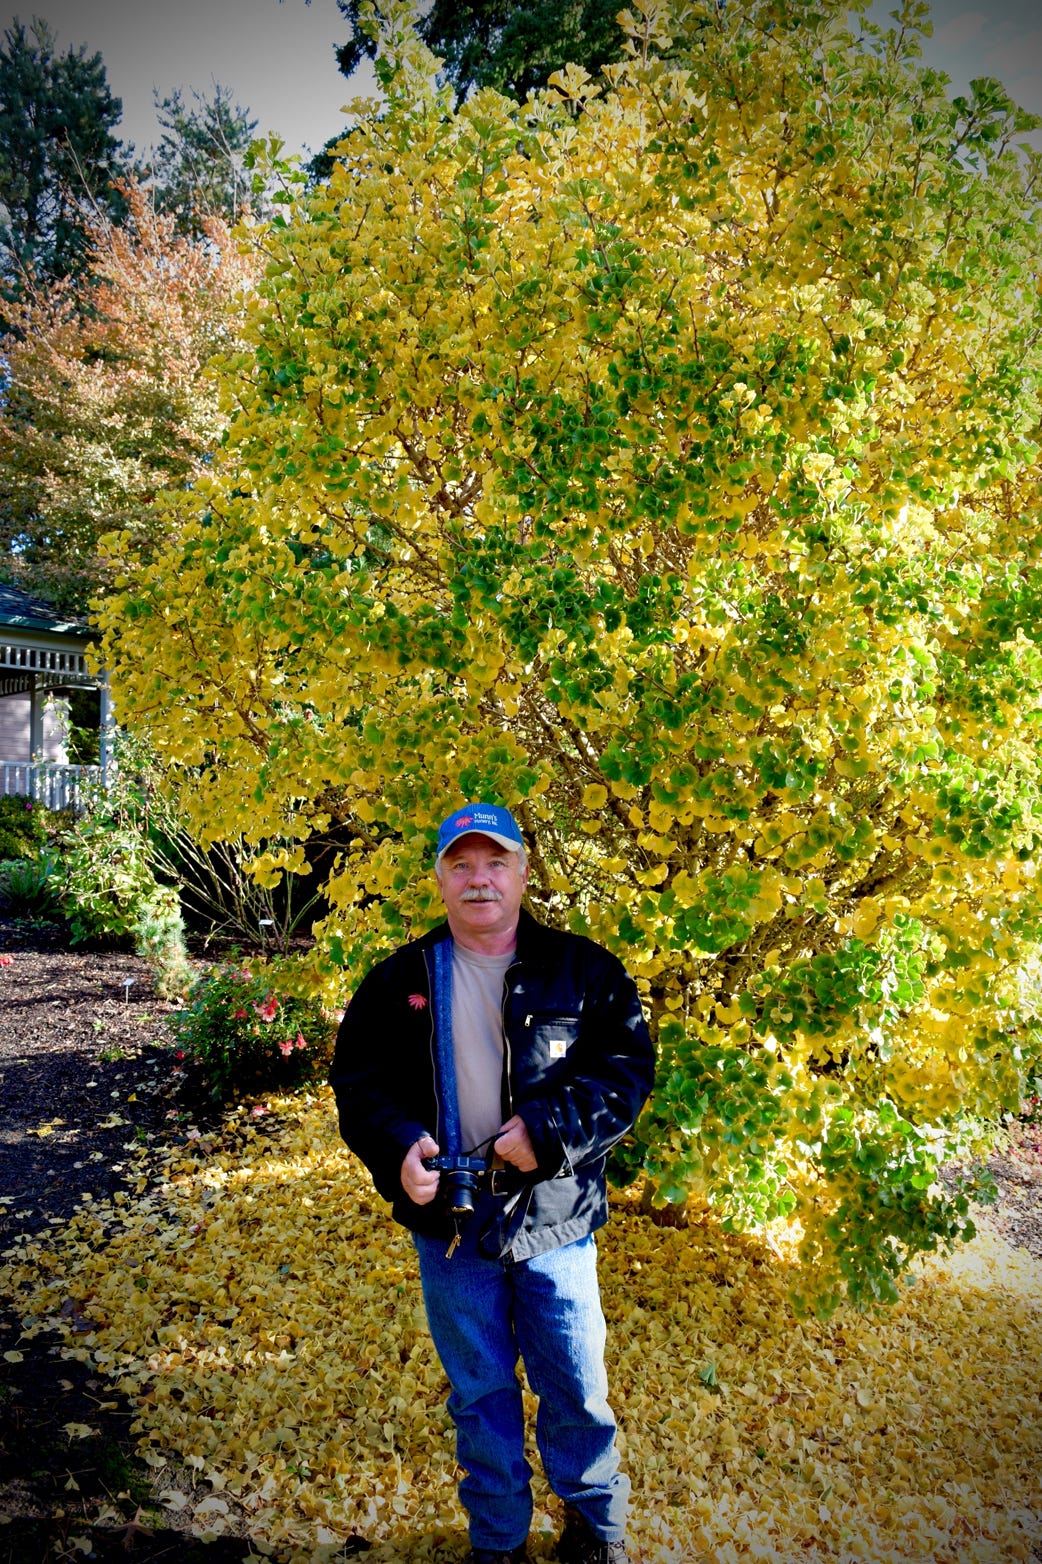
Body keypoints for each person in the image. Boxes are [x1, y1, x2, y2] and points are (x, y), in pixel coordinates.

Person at [330, 802, 655, 1564]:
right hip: (451, 1227)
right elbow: (360, 1083)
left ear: (523, 873)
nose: (480, 880)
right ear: (440, 879)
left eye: (495, 862)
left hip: (556, 1221)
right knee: (479, 1395)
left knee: (575, 1386)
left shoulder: (587, 971)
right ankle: (499, 1541)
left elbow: (626, 1072)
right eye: (462, 865)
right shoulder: (399, 979)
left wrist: (548, 1130)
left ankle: (596, 1529)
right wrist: (399, 1144)